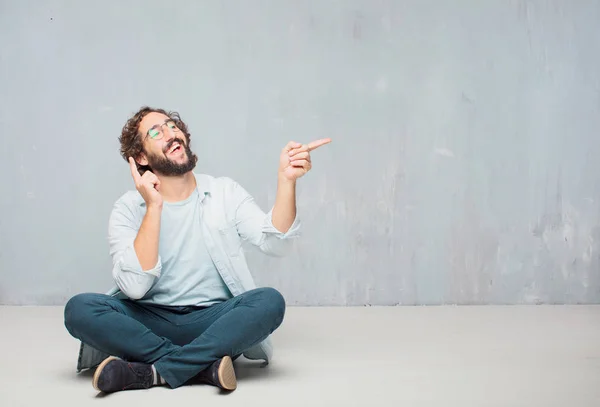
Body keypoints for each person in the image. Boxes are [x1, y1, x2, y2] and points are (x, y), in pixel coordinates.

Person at [63, 106, 330, 393]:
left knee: (269, 302)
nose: (171, 133)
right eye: (157, 132)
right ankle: (203, 367)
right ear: (141, 157)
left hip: (213, 321)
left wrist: (286, 182)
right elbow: (135, 288)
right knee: (79, 309)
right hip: (148, 321)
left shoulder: (224, 192)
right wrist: (153, 206)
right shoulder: (128, 209)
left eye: (172, 126)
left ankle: (151, 372)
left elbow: (275, 242)